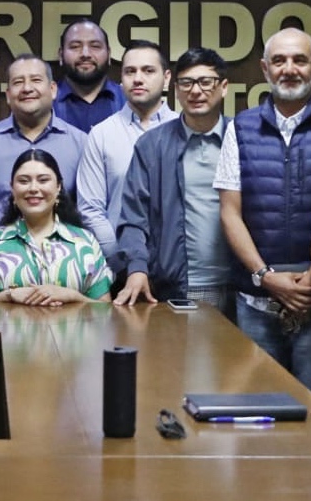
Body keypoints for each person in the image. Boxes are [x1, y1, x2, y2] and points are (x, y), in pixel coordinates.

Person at [214, 28, 311, 407]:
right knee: (259, 416)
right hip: (255, 302)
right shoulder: (240, 127)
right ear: (265, 68)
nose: (289, 69)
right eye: (279, 61)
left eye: (299, 60)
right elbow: (230, 213)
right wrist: (266, 277)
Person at [114, 48, 235, 316]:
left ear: (223, 87)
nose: (196, 91)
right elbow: (134, 218)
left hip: (240, 288)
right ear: (176, 89)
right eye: (186, 83)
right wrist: (136, 268)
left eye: (206, 82)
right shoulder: (152, 145)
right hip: (176, 287)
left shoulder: (243, 139)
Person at [0, 150, 113, 305]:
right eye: (24, 181)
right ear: (12, 189)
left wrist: (73, 296)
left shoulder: (85, 242)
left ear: (58, 187)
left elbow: (105, 307)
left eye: (43, 180)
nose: (33, 188)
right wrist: (7, 296)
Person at [0, 54, 87, 236]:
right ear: (8, 95)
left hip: (64, 251)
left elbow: (89, 207)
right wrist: (9, 228)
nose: (27, 88)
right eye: (18, 82)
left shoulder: (80, 142)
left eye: (35, 80)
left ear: (53, 89)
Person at [76, 40, 177, 256]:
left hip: (179, 272)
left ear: (166, 78)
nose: (138, 79)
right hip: (119, 269)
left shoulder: (185, 131)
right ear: (121, 81)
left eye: (148, 71)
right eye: (130, 72)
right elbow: (91, 211)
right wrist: (124, 262)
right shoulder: (102, 135)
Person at [53, 18, 123, 133]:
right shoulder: (45, 103)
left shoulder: (128, 101)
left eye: (95, 46)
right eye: (75, 46)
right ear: (61, 55)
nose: (85, 54)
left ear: (109, 54)